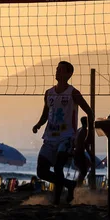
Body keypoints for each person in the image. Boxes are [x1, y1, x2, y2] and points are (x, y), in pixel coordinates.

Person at [32, 61, 94, 205]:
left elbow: (89, 112)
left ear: (68, 74)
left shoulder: (73, 93)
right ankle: (70, 185)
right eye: (57, 69)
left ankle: (56, 200)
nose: (57, 72)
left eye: (60, 70)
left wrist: (90, 133)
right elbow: (45, 114)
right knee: (41, 172)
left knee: (59, 167)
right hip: (49, 137)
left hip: (66, 137)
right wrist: (38, 124)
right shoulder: (49, 93)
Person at [72, 116, 91, 186]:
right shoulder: (84, 131)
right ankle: (77, 185)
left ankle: (78, 184)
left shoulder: (79, 130)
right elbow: (85, 144)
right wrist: (90, 154)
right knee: (83, 171)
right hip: (79, 153)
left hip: (76, 152)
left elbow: (74, 142)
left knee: (84, 169)